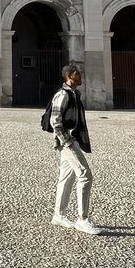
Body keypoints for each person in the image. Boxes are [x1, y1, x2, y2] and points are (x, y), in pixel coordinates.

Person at [48, 64, 101, 235]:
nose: (80, 77)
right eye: (77, 74)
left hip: (72, 140)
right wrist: (67, 142)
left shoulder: (73, 94)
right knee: (85, 175)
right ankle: (82, 219)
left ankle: (59, 215)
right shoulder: (63, 95)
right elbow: (54, 120)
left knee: (66, 178)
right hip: (69, 142)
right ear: (69, 77)